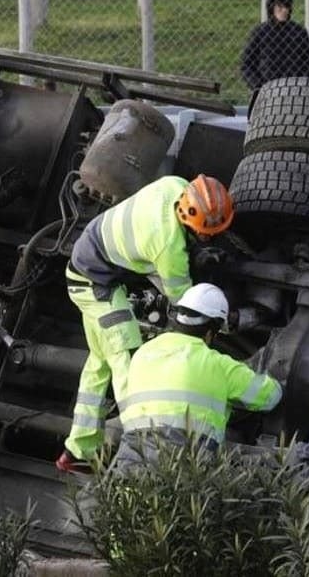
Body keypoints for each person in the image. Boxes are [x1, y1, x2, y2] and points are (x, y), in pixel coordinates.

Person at [57, 175, 235, 472]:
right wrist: (226, 321)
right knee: (127, 358)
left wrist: (199, 249)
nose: (209, 239)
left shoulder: (175, 186)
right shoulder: (168, 248)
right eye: (204, 235)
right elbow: (186, 305)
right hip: (95, 284)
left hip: (87, 262)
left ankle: (78, 449)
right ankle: (141, 448)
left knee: (99, 363)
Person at [113, 283, 282, 467]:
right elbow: (270, 397)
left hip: (132, 451)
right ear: (211, 332)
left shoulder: (143, 352)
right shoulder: (217, 364)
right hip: (183, 457)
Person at [240, 0, 309, 91]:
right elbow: (247, 64)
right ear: (272, 8)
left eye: (287, 6)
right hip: (266, 89)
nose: (284, 10)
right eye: (280, 6)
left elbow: (308, 62)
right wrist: (258, 86)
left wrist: (298, 83)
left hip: (293, 89)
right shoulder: (260, 32)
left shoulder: (299, 32)